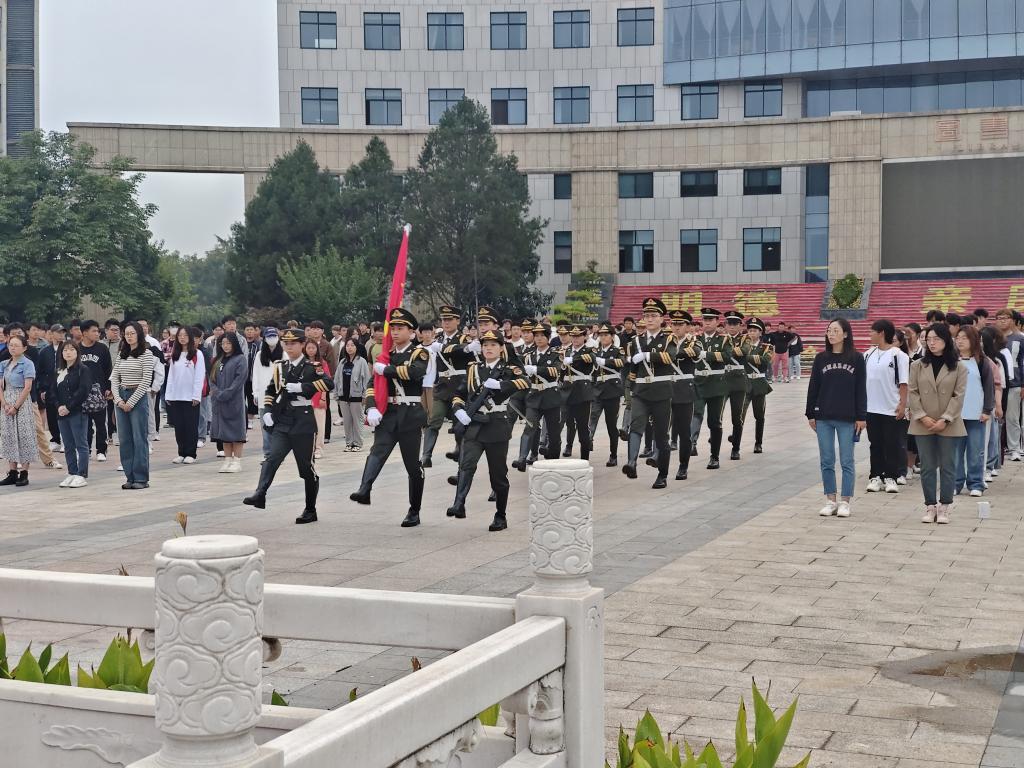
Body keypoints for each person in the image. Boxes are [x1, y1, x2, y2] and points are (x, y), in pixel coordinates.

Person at [349, 308, 429, 528]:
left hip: (409, 414)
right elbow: (372, 385)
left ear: (411, 332)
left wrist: (387, 370)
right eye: (392, 328)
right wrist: (371, 407)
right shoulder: (386, 356)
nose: (395, 332)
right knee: (377, 451)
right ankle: (365, 488)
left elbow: (415, 372)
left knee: (412, 465)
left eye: (400, 328)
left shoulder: (419, 353)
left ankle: (414, 510)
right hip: (389, 414)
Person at [244, 329, 333, 524]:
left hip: (303, 421)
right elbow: (271, 389)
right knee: (271, 458)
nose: (289, 346)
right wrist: (267, 410)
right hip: (283, 420)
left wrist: (303, 387)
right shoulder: (280, 366)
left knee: (306, 469)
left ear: (302, 344)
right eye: (286, 343)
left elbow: (328, 383)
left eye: (293, 343)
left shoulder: (312, 366)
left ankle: (310, 509)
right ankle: (260, 493)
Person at [448, 329, 529, 531]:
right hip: (474, 424)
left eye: (493, 345)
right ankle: (459, 503)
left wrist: (502, 385)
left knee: (498, 475)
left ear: (501, 348)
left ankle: (500, 516)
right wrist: (458, 410)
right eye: (485, 345)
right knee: (466, 465)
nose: (488, 348)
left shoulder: (508, 368)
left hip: (496, 425)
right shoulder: (473, 368)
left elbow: (525, 382)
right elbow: (459, 393)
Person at [806, 318, 867, 518]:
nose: (831, 334)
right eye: (829, 330)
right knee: (827, 459)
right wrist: (810, 413)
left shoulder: (856, 358)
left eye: (835, 330)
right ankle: (830, 500)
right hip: (823, 416)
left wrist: (861, 416)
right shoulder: (821, 358)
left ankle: (845, 501)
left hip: (847, 417)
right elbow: (813, 386)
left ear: (846, 334)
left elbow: (861, 389)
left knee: (847, 460)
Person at [910, 324, 967, 524]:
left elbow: (958, 395)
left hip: (948, 423)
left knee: (948, 466)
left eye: (936, 339)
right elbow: (913, 392)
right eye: (928, 339)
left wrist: (945, 418)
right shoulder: (917, 365)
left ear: (946, 340)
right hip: (922, 422)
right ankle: (930, 505)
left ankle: (945, 506)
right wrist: (922, 416)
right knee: (927, 466)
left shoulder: (958, 367)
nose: (932, 343)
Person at [622, 298, 678, 487]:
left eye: (654, 315)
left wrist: (647, 355)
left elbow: (669, 357)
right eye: (646, 316)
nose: (650, 319)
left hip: (661, 392)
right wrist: (629, 389)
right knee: (636, 427)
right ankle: (631, 463)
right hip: (641, 391)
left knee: (661, 435)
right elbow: (633, 370)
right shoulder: (635, 341)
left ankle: (662, 475)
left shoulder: (668, 339)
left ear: (662, 319)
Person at [863, 319, 910, 494]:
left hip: (891, 408)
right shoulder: (868, 354)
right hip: (871, 408)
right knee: (875, 443)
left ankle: (891, 477)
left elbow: (904, 383)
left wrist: (902, 405)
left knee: (892, 444)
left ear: (881, 333)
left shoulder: (899, 356)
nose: (869, 334)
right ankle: (875, 476)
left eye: (872, 331)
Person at [422, 305, 471, 468]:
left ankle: (459, 452)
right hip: (442, 387)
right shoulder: (438, 339)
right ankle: (426, 455)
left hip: (459, 386)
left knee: (459, 425)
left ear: (457, 321)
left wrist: (444, 348)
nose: (446, 323)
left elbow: (464, 351)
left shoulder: (463, 339)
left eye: (450, 319)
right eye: (444, 320)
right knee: (434, 420)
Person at [111, 322, 155, 490]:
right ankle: (129, 476)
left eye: (132, 333)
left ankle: (141, 478)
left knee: (139, 438)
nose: (129, 336)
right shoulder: (122, 354)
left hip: (137, 396)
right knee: (124, 439)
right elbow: (114, 378)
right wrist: (118, 400)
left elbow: (146, 380)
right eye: (126, 333)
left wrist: (131, 402)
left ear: (139, 334)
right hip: (121, 396)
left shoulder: (146, 353)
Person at [513, 322, 563, 469]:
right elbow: (516, 368)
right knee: (530, 427)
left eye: (542, 336)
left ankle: (554, 461)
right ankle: (522, 458)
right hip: (534, 396)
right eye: (536, 336)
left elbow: (556, 371)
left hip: (550, 396)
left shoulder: (556, 354)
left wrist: (536, 369)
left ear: (548, 337)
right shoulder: (528, 355)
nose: (539, 338)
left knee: (553, 433)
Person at [953, 326, 993, 497]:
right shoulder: (951, 361)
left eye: (965, 338)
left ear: (974, 340)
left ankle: (976, 483)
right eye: (958, 337)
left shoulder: (982, 361)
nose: (960, 341)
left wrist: (987, 410)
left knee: (976, 452)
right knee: (955, 453)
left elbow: (989, 387)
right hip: (954, 415)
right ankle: (955, 484)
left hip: (976, 415)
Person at [690, 308, 733, 467]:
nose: (707, 323)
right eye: (705, 320)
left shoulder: (724, 339)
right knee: (696, 413)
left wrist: (705, 355)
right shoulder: (695, 339)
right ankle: (692, 443)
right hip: (699, 383)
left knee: (714, 422)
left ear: (716, 322)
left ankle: (714, 456)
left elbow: (727, 356)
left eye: (710, 320)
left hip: (716, 384)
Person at [52, 341, 93, 487]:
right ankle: (72, 472)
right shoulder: (58, 371)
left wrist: (69, 407)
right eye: (65, 350)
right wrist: (58, 406)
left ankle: (81, 474)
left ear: (77, 352)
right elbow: (53, 391)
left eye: (71, 349)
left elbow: (83, 390)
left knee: (81, 444)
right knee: (68, 445)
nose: (68, 352)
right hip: (61, 413)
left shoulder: (83, 369)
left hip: (77, 412)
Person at [0, 335, 39, 487]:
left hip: (21, 402)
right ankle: (12, 472)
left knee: (24, 435)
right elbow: (0, 386)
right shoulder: (4, 364)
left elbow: (27, 387)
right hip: (7, 401)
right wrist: (4, 403)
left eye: (16, 345)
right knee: (9, 435)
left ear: (24, 348)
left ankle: (24, 473)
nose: (13, 348)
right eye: (11, 345)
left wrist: (16, 406)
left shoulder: (27, 364)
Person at [165, 326, 206, 465]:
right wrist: (168, 394)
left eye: (185, 335)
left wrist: (196, 395)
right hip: (176, 396)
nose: (182, 338)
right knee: (179, 426)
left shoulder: (197, 354)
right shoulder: (175, 354)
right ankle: (181, 452)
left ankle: (191, 453)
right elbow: (171, 376)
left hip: (190, 397)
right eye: (180, 335)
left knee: (190, 426)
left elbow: (199, 376)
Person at [588, 322, 625, 467]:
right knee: (592, 419)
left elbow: (622, 362)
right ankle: (588, 443)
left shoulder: (617, 350)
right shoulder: (595, 351)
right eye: (601, 335)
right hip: (597, 390)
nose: (603, 337)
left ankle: (613, 455)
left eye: (606, 335)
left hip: (612, 391)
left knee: (611, 425)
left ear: (612, 336)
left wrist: (606, 361)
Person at [79, 320, 113, 463]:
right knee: (85, 424)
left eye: (98, 331)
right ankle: (86, 449)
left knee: (100, 423)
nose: (97, 333)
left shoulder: (102, 348)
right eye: (94, 331)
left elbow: (108, 369)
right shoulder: (77, 349)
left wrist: (108, 388)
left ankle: (101, 450)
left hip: (99, 391)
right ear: (84, 333)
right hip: (81, 392)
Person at [560, 325, 596, 460]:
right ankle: (568, 445)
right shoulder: (566, 351)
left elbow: (591, 358)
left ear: (584, 337)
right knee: (569, 422)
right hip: (567, 391)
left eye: (578, 336)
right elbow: (562, 372)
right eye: (573, 336)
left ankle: (584, 457)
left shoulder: (589, 350)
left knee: (582, 425)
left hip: (582, 392)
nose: (575, 339)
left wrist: (573, 359)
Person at [741, 318, 775, 455]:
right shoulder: (743, 346)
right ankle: (736, 438)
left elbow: (765, 360)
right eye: (749, 330)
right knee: (739, 415)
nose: (751, 333)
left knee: (759, 416)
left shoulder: (767, 347)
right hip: (744, 383)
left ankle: (758, 443)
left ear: (760, 333)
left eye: (754, 330)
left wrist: (745, 357)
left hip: (759, 384)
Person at [994, 308, 1024, 461]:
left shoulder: (1019, 338)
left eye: (1006, 318)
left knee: (1012, 417)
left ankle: (1014, 449)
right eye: (999, 318)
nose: (1002, 321)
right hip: (995, 383)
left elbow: (1022, 362)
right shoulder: (992, 337)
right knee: (995, 416)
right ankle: (996, 448)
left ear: (1012, 320)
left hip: (1014, 383)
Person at [722, 310, 751, 461]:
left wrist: (725, 352)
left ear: (740, 325)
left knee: (737, 417)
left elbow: (743, 351)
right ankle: (715, 438)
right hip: (722, 379)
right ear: (725, 325)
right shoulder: (720, 338)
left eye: (735, 324)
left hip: (738, 380)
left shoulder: (746, 339)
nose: (732, 326)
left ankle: (736, 448)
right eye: (729, 323)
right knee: (716, 415)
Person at [251, 328, 283, 462]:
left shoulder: (283, 354)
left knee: (278, 426)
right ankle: (268, 454)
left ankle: (278, 453)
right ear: (264, 338)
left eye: (274, 336)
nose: (272, 339)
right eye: (269, 336)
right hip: (263, 395)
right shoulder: (260, 355)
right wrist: (255, 393)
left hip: (279, 395)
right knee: (266, 426)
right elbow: (255, 375)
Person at [980, 326, 1007, 482]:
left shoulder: (993, 362)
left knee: (989, 438)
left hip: (987, 405)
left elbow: (999, 386)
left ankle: (988, 467)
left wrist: (998, 405)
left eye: (982, 341)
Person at [335, 337, 370, 451]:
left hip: (357, 396)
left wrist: (365, 395)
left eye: (352, 345)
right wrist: (336, 395)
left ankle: (358, 444)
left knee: (357, 421)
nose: (349, 348)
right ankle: (349, 443)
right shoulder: (342, 362)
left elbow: (366, 379)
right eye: (347, 345)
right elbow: (337, 379)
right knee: (347, 421)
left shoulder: (362, 361)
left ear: (356, 347)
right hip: (343, 396)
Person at [302, 338, 331, 460]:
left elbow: (326, 382)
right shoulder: (302, 363)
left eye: (313, 348)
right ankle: (308, 448)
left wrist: (323, 398)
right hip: (305, 398)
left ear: (317, 349)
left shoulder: (321, 363)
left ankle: (319, 448)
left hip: (318, 396)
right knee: (306, 425)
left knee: (319, 425)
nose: (311, 350)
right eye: (308, 348)